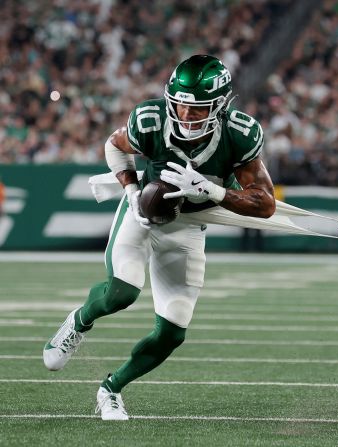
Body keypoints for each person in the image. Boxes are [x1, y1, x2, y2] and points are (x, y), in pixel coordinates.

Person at [43, 55, 276, 420]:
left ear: (220, 107)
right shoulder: (151, 119)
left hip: (188, 227)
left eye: (196, 109)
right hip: (142, 216)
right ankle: (79, 320)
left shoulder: (238, 133)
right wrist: (133, 192)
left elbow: (265, 205)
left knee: (173, 331)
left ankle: (111, 389)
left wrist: (213, 192)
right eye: (180, 104)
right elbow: (114, 146)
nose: (184, 115)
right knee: (123, 291)